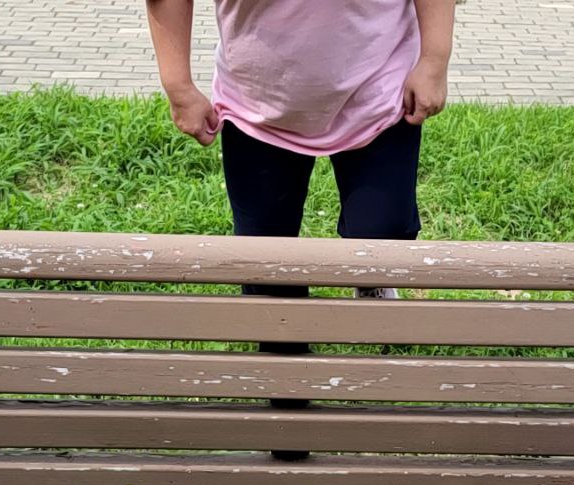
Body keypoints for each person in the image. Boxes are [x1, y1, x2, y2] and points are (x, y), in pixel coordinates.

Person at [145, 0, 456, 300]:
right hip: (258, 103)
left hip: (376, 89)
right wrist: (178, 86)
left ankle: (372, 279)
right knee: (266, 262)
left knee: (383, 236)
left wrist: (434, 59)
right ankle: (283, 341)